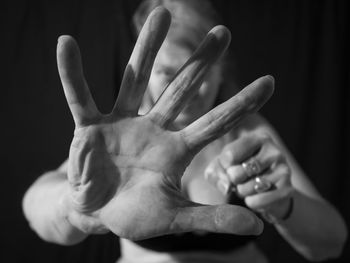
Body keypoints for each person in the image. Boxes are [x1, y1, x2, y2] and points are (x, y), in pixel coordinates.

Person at [22, 0, 347, 262]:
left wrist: (284, 204)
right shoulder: (122, 142)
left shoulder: (246, 132)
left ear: (222, 69)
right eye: (166, 71)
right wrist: (75, 207)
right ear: (147, 71)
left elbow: (331, 243)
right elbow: (36, 207)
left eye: (197, 72)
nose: (187, 90)